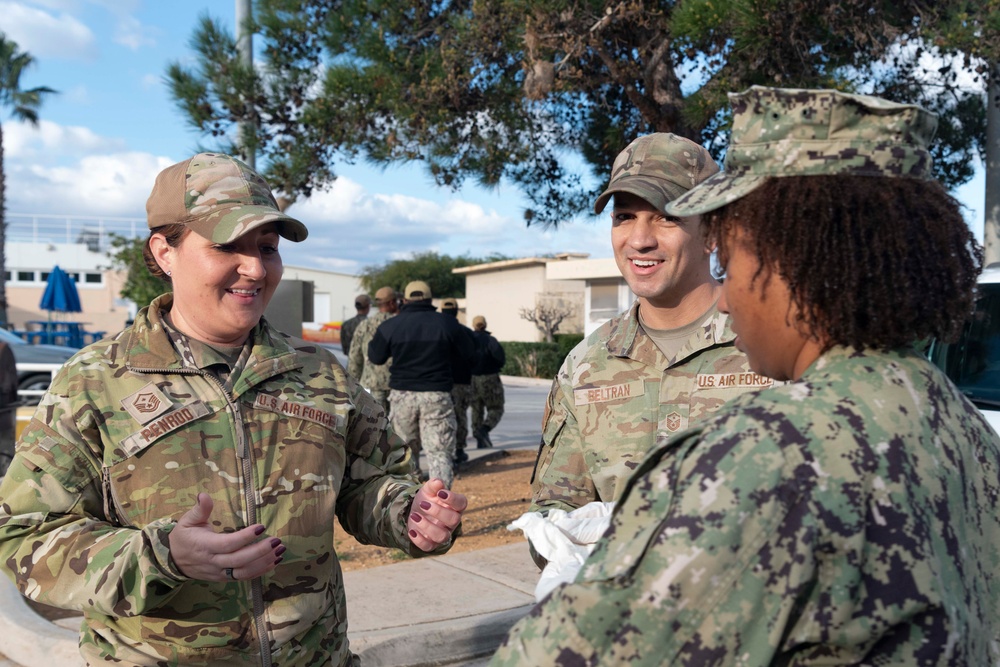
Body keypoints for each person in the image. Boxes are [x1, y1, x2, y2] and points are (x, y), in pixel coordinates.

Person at [492, 87, 1000, 665]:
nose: (727, 300)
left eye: (732, 262)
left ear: (792, 259)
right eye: (625, 216)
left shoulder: (769, 453)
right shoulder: (959, 423)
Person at [0, 152, 467, 667]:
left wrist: (412, 514)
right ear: (165, 251)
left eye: (267, 248)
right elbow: (25, 533)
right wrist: (163, 557)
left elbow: (367, 482)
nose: (255, 268)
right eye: (227, 246)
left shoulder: (318, 371)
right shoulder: (94, 381)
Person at [530, 132, 768, 520]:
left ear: (711, 232)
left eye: (667, 217)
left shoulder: (773, 344)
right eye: (624, 217)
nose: (639, 240)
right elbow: (554, 510)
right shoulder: (586, 365)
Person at [369, 281, 476, 488]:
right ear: (429, 300)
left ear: (405, 300)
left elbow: (375, 357)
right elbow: (470, 354)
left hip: (402, 397)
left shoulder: (391, 325)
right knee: (439, 453)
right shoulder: (447, 324)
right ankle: (440, 507)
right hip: (437, 396)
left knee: (405, 453)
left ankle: (412, 503)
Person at [347, 285, 399, 414]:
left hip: (372, 384)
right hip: (397, 385)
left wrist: (353, 385)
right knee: (397, 430)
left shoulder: (365, 325)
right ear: (393, 302)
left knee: (375, 427)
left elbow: (355, 358)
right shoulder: (400, 323)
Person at [440, 297, 477, 465]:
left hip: (442, 382)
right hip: (462, 381)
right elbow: (474, 356)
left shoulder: (436, 331)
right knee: (460, 416)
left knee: (442, 417)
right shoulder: (465, 332)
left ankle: (444, 450)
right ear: (456, 311)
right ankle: (460, 449)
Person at [470, 315, 506, 449]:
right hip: (490, 378)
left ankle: (479, 437)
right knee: (496, 408)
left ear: (473, 325)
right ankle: (484, 429)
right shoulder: (491, 340)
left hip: (472, 378)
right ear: (485, 325)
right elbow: (500, 358)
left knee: (476, 409)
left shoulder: (469, 340)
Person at [339, 293, 371, 357]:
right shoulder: (371, 324)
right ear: (368, 306)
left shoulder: (346, 324)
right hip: (368, 364)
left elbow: (345, 349)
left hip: (351, 363)